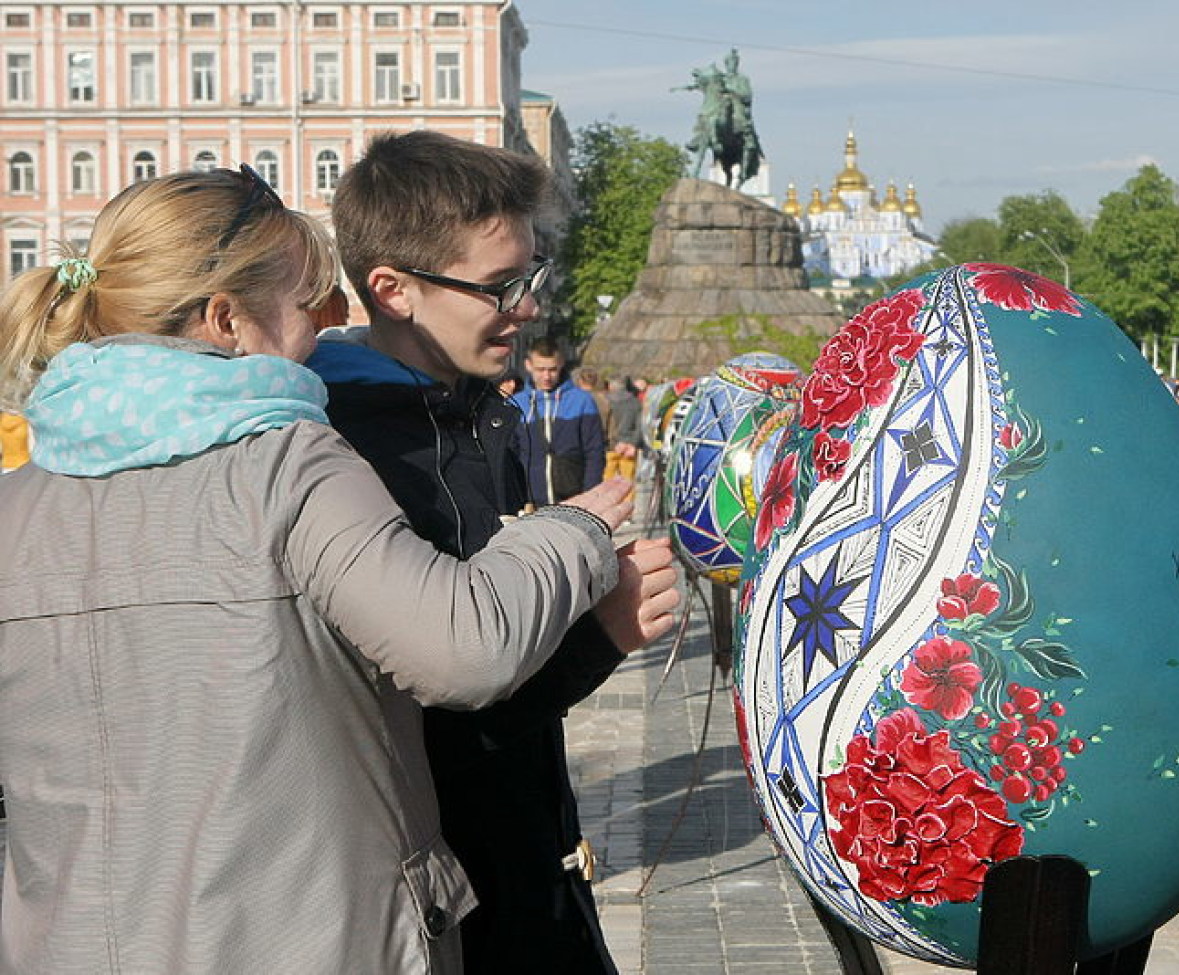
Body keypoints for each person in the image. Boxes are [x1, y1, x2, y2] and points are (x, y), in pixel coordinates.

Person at [0, 166, 675, 972]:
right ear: (226, 320)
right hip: (305, 936)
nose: (327, 325)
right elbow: (463, 652)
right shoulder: (291, 462)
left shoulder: (20, 502)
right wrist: (573, 534)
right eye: (309, 300)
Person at [308, 130, 677, 974]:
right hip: (450, 908)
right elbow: (433, 726)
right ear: (393, 290)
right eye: (499, 287)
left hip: (529, 865)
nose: (527, 308)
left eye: (530, 276)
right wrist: (603, 634)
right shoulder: (352, 459)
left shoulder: (472, 411)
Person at [514, 334, 606, 505]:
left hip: (573, 497)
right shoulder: (516, 404)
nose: (547, 376)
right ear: (528, 366)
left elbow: (594, 452)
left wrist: (589, 496)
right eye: (540, 370)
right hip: (529, 500)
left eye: (552, 369)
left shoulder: (582, 401)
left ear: (562, 363)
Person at [604, 376, 642, 499]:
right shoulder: (635, 402)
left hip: (610, 446)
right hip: (629, 447)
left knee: (606, 480)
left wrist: (614, 442)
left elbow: (606, 424)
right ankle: (627, 513)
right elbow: (640, 425)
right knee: (627, 482)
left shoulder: (606, 401)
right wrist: (633, 444)